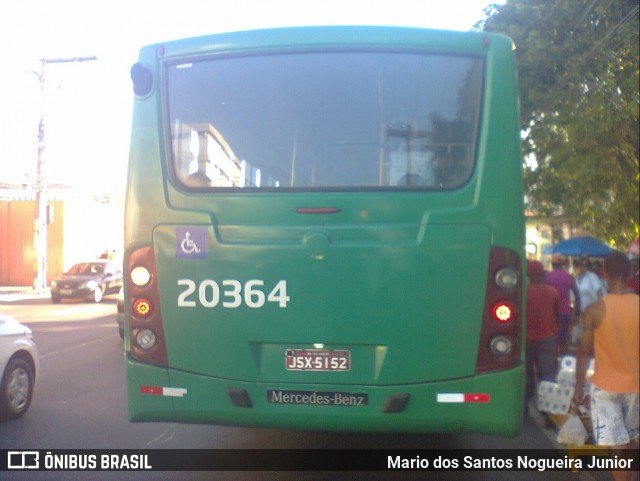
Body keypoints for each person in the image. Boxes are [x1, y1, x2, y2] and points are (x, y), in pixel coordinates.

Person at [573, 251, 639, 481]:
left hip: (606, 388)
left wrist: (578, 388)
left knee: (616, 444)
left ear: (604, 273)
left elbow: (583, 352)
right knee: (629, 439)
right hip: (636, 387)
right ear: (630, 272)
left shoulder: (594, 310)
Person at [525, 261, 560, 409]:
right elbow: (557, 315)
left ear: (529, 275)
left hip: (526, 340)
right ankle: (549, 410)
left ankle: (524, 405)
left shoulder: (523, 292)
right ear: (542, 274)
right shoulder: (552, 292)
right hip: (547, 338)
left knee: (527, 375)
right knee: (547, 377)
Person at [546, 253, 581, 355]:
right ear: (563, 264)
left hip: (550, 313)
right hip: (565, 313)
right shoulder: (569, 277)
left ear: (552, 264)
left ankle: (552, 360)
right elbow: (577, 297)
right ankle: (563, 359)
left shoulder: (547, 277)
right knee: (564, 338)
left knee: (552, 338)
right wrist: (576, 314)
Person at [573, 256, 605, 344]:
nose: (583, 267)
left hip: (590, 310)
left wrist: (600, 308)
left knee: (589, 335)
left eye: (585, 265)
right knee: (579, 335)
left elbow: (600, 293)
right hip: (579, 310)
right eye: (581, 264)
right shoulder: (575, 278)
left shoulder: (592, 277)